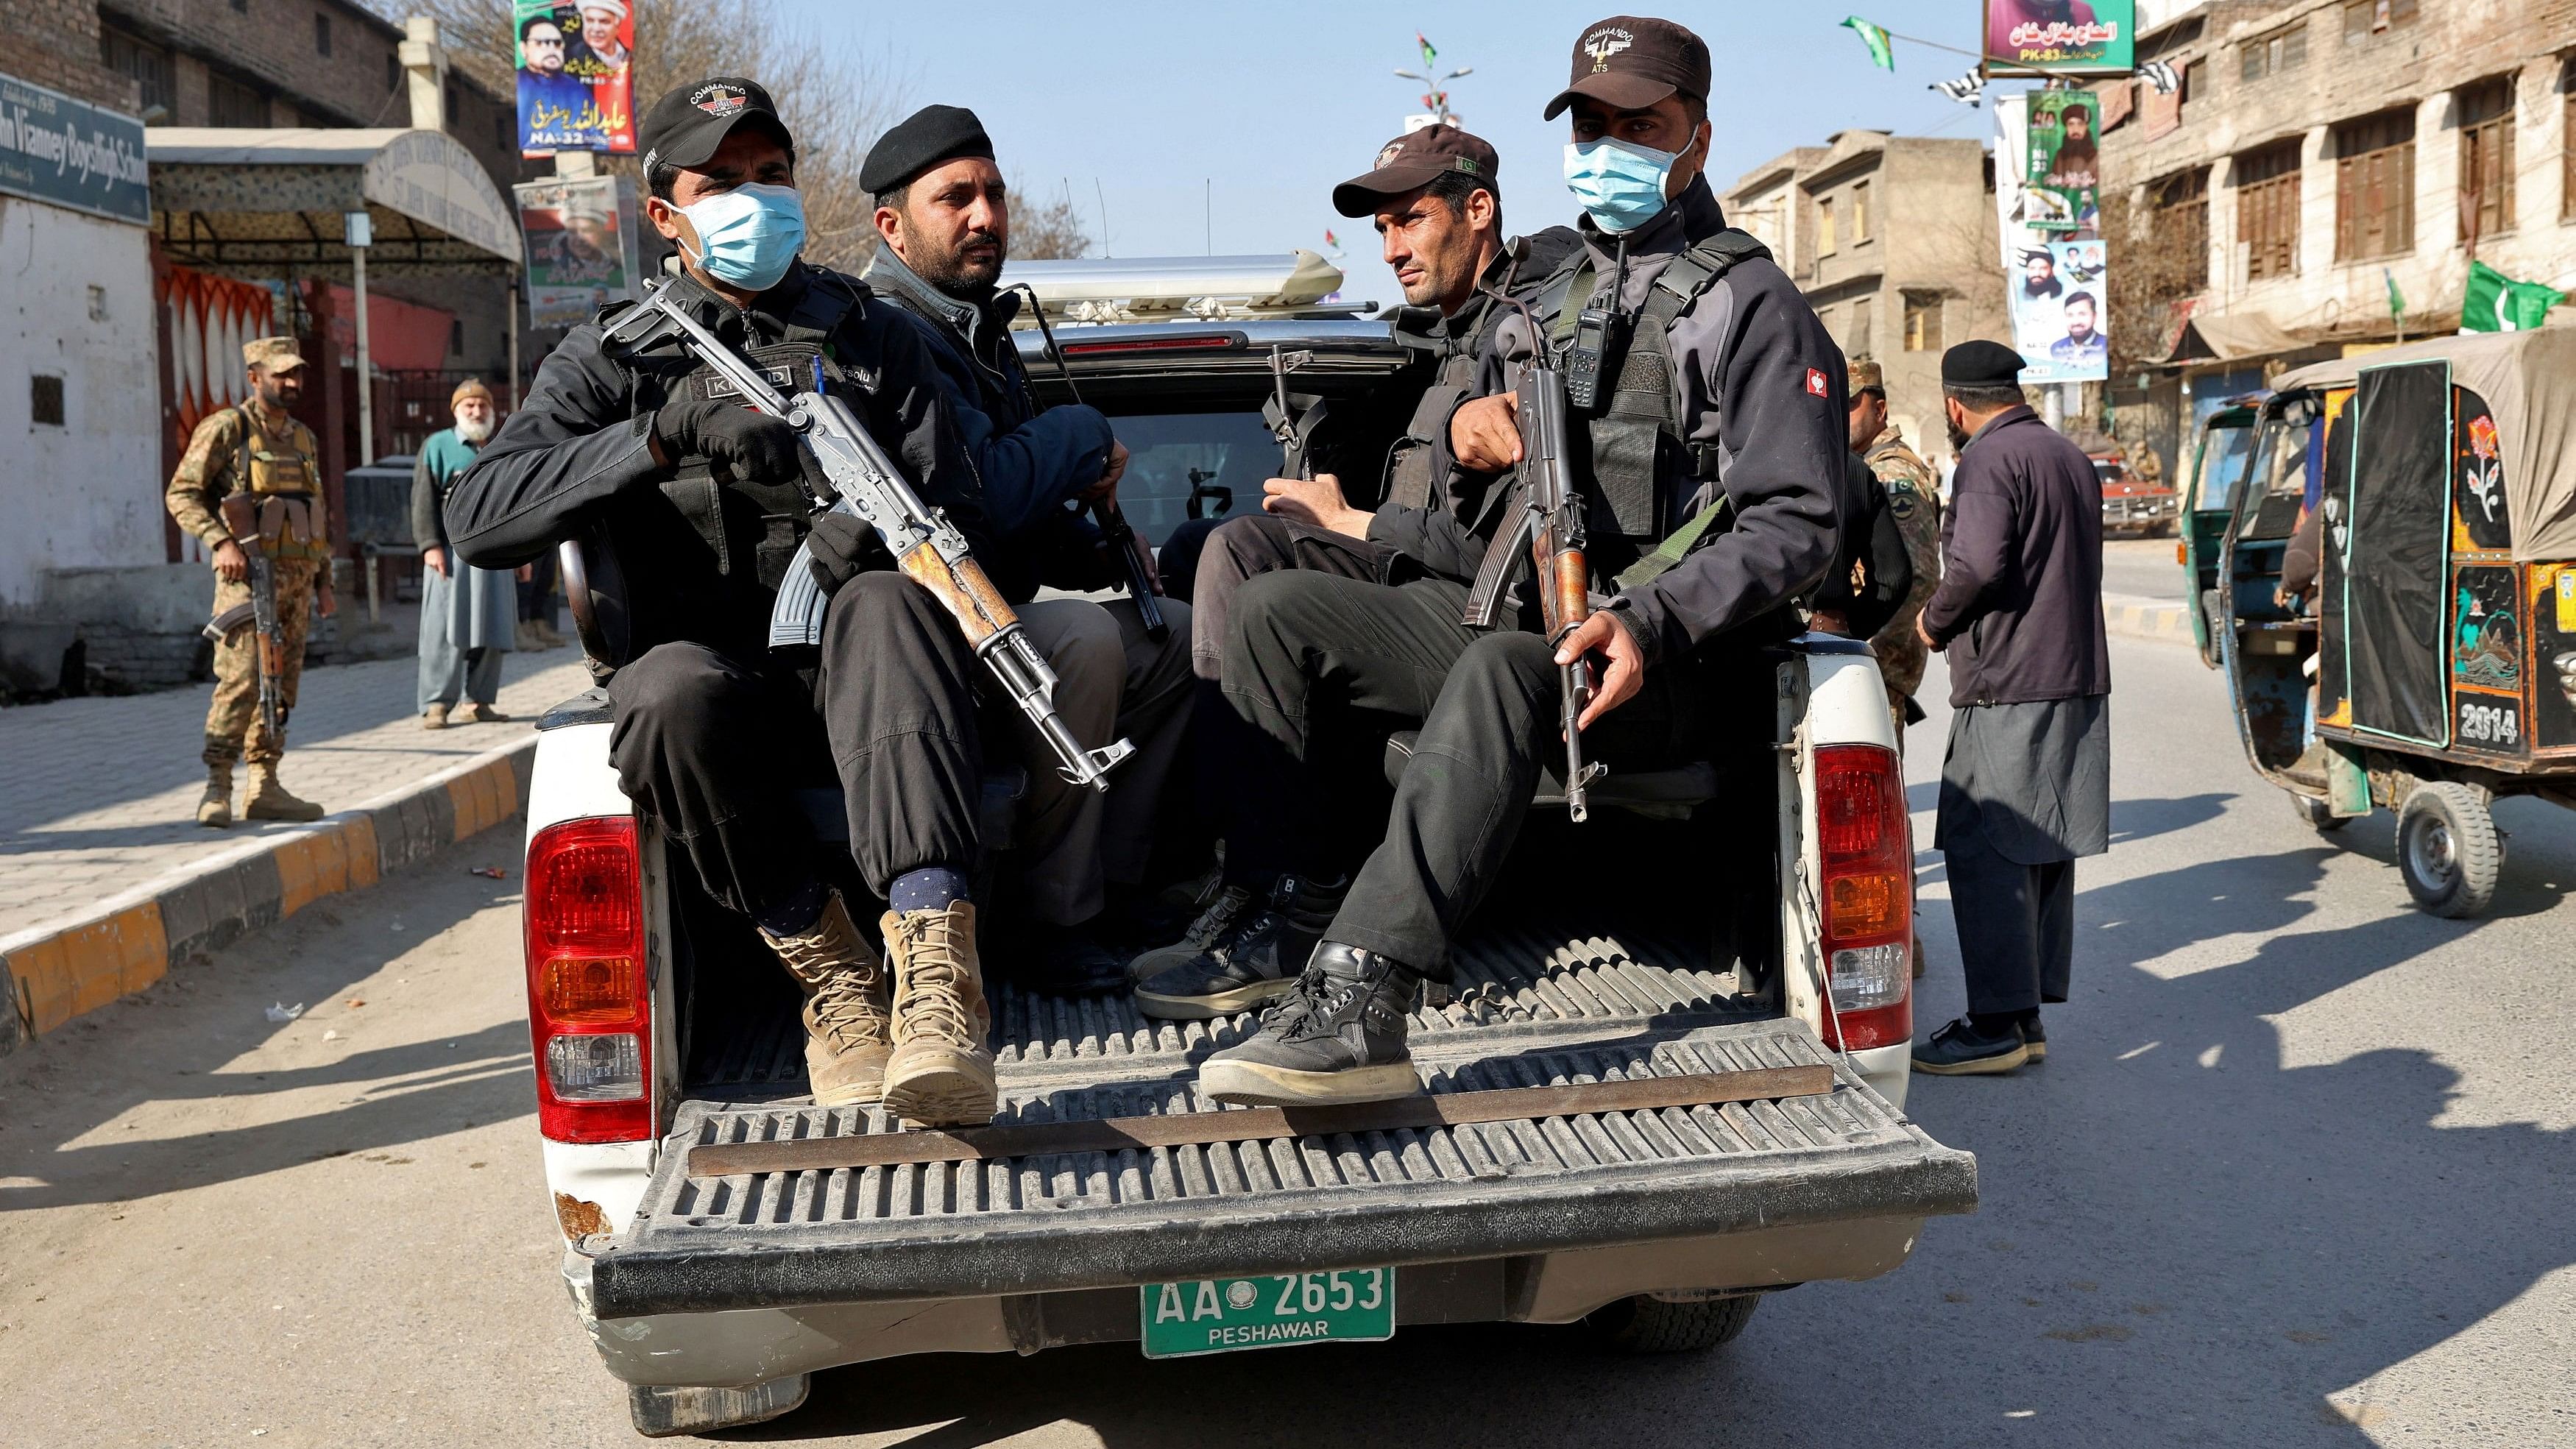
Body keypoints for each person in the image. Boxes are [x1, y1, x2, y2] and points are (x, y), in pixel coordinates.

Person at [1167, 15, 1849, 1103]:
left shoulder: (1749, 306)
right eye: (1592, 122)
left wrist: (1651, 620)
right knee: (1274, 607)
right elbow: (1461, 493)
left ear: (1697, 141)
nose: (1609, 143)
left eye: (1643, 124)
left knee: (1502, 669)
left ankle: (1364, 1002)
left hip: (1668, 660)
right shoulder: (1548, 293)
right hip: (1530, 613)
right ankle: (1285, 914)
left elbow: (1799, 521)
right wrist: (1471, 437)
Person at [445, 77, 1002, 1127]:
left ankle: (936, 974)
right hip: (720, 705)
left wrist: (859, 527)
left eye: (772, 176)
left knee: (886, 599)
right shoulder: (616, 351)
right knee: (660, 693)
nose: (756, 198)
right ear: (666, 214)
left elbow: (958, 487)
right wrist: (655, 437)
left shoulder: (872, 331)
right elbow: (477, 514)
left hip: (879, 688)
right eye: (723, 182)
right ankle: (833, 977)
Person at [859, 104, 1195, 992]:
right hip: (914, 650)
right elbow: (980, 494)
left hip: (988, 616)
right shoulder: (890, 331)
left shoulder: (977, 328)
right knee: (1080, 643)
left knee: (1175, 640)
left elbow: (1015, 529)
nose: (984, 216)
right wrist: (1080, 433)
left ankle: (1114, 888)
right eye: (955, 198)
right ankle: (1054, 922)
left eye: (995, 195)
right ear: (891, 226)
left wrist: (1098, 552)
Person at [1910, 339, 2109, 1075]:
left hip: (2011, 682)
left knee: (1982, 842)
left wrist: (1931, 622)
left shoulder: (1988, 461)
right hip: (2073, 675)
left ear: (1954, 404)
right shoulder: (2066, 455)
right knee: (2038, 844)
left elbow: (1975, 566)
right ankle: (2023, 1015)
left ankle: (1994, 1024)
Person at [167, 337, 336, 829]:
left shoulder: (304, 437)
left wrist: (324, 581)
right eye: (281, 373)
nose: (292, 382)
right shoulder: (228, 428)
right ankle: (217, 785)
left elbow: (315, 509)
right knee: (241, 680)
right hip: (248, 582)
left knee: (281, 684)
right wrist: (220, 542)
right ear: (254, 377)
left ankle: (265, 783)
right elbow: (182, 494)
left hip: (296, 582)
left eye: (297, 373)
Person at [1846, 361, 1943, 736]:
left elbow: (1918, 576)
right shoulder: (1862, 467)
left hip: (1875, 668)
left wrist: (1871, 652)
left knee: (1871, 791)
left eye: (1853, 403)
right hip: (1866, 665)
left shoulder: (1891, 474)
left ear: (1880, 409)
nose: (1842, 413)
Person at [413, 379, 515, 729]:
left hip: (497, 554)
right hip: (450, 556)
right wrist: (430, 546)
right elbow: (422, 500)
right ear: (455, 411)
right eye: (468, 406)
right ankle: (436, 704)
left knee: (493, 627)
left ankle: (478, 701)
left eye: (482, 405)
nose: (476, 411)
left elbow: (517, 501)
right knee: (444, 630)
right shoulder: (437, 445)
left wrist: (522, 553)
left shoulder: (505, 445)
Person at [514, 15, 590, 140]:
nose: (551, 49)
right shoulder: (518, 85)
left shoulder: (577, 89)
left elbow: (599, 131)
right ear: (524, 48)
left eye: (557, 43)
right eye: (541, 42)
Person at [564, 1, 629, 77]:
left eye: (604, 22)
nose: (596, 29)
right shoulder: (572, 57)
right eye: (590, 21)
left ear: (617, 26)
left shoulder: (629, 55)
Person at [2051, 291, 2107, 364]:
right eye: (2070, 315)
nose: (2076, 322)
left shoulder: (2107, 345)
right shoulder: (2056, 348)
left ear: (2094, 316)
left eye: (2082, 314)